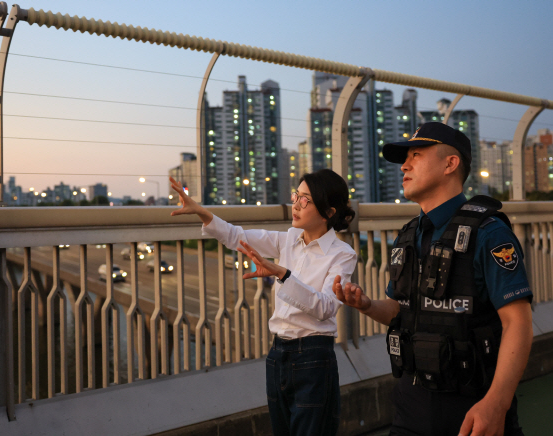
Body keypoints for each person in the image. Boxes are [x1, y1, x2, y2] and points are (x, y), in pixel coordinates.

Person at [334, 122, 533, 436]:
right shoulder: (409, 235)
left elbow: (518, 323)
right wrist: (367, 305)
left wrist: (497, 403)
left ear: (450, 164)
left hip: (471, 413)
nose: (404, 165)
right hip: (409, 410)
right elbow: (403, 312)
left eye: (416, 155)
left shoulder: (489, 233)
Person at [170, 170, 356, 435]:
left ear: (328, 211)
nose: (295, 204)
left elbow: (326, 308)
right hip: (278, 355)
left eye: (305, 200)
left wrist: (281, 273)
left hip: (314, 357)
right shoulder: (290, 239)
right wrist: (201, 211)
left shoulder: (342, 254)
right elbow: (237, 237)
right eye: (296, 195)